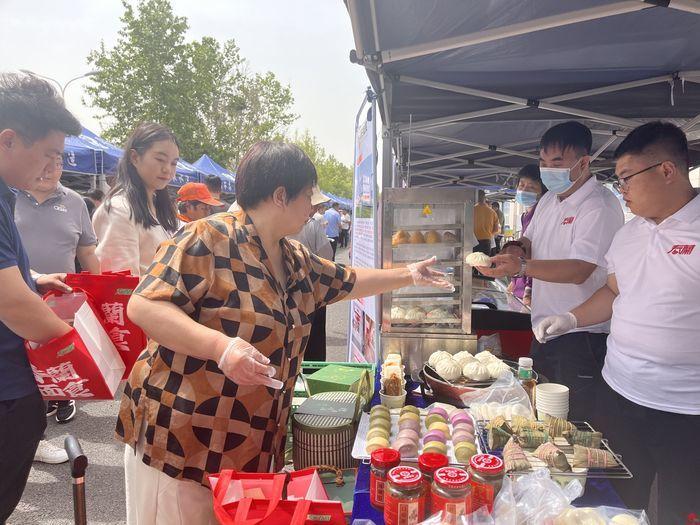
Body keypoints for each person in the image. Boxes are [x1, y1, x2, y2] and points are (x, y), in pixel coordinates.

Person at [117, 141, 452, 524]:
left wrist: (407, 275)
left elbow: (348, 279)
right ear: (280, 195)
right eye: (309, 196)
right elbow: (145, 304)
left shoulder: (292, 257)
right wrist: (221, 347)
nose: (314, 207)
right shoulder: (206, 238)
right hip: (187, 442)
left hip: (250, 447)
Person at [534, 122, 700, 523]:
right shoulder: (629, 235)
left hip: (686, 409)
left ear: (666, 171)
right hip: (620, 393)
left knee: (681, 509)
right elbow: (612, 291)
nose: (621, 188)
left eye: (626, 178)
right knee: (612, 505)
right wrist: (571, 318)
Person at [476, 121, 624, 421]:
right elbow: (530, 241)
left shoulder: (599, 206)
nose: (547, 170)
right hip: (544, 330)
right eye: (543, 162)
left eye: (557, 163)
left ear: (584, 162)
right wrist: (515, 250)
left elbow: (580, 269)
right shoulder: (548, 201)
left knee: (574, 423)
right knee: (538, 417)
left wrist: (523, 267)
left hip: (582, 336)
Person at [0, 72, 81, 523]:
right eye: (49, 153)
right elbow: (10, 303)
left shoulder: (6, 194)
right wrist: (81, 347)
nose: (55, 166)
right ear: (8, 140)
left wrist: (32, 277)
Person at [15, 153, 100, 450]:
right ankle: (35, 430)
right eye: (46, 160)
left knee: (61, 353)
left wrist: (98, 292)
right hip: (18, 292)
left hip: (61, 293)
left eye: (58, 163)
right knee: (23, 360)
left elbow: (88, 251)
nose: (51, 169)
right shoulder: (11, 195)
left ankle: (62, 397)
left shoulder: (75, 202)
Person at [93, 123, 179, 277]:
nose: (167, 169)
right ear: (134, 157)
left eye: (174, 163)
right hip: (142, 299)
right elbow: (122, 283)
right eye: (160, 159)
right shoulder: (120, 209)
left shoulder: (158, 206)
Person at [288, 185, 333, 362]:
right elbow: (327, 257)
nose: (312, 209)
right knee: (313, 342)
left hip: (292, 296)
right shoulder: (312, 225)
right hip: (313, 290)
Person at [507, 164, 548, 305]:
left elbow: (536, 253)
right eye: (521, 185)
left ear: (543, 191)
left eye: (531, 187)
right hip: (521, 283)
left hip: (533, 290)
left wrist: (529, 289)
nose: (524, 190)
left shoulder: (543, 215)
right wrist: (514, 281)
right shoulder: (525, 215)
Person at [473, 190, 500, 255]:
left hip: (473, 242)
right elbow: (496, 230)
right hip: (486, 242)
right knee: (484, 263)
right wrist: (488, 234)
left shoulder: (471, 210)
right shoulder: (492, 212)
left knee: (473, 263)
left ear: (475, 197)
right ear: (484, 198)